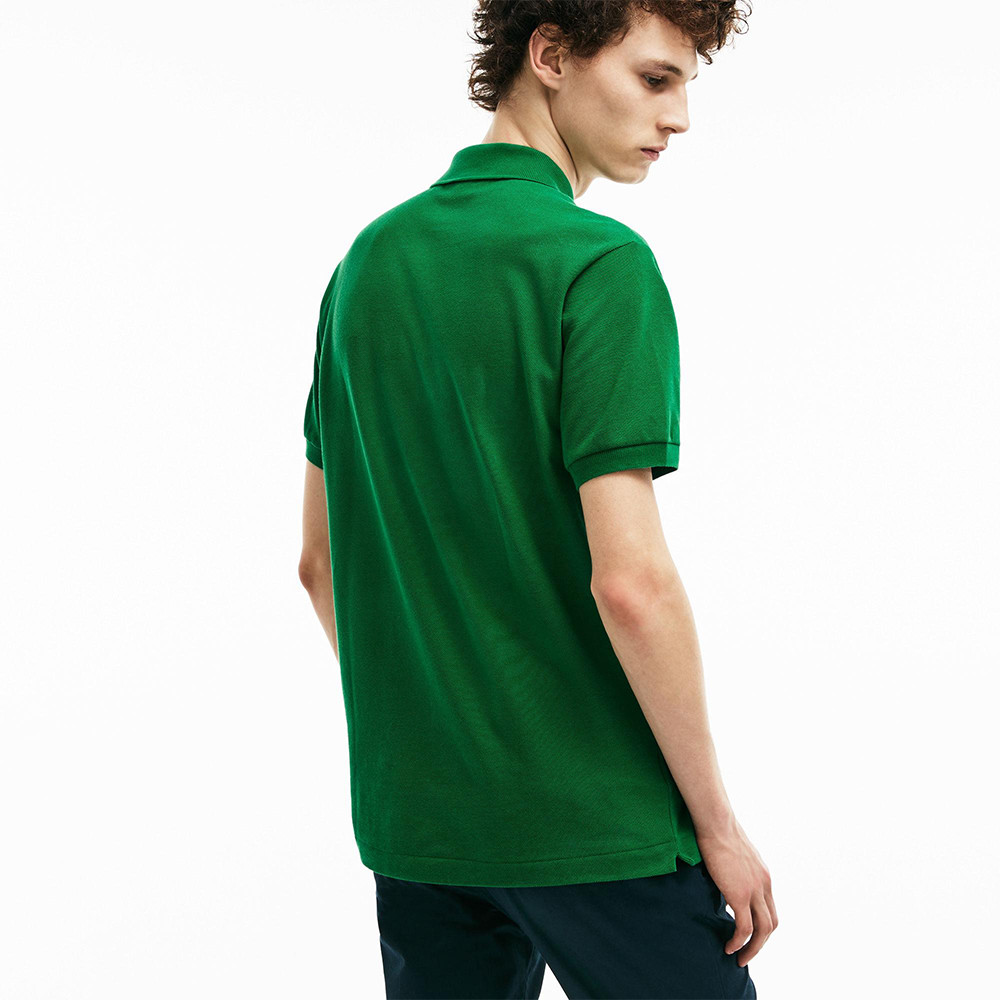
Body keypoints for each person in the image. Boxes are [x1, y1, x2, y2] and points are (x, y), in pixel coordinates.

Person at [298, 1, 776, 996]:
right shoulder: (597, 264)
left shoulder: (364, 267)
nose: (680, 116)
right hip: (590, 820)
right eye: (655, 78)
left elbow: (320, 564)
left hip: (420, 820)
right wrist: (718, 828)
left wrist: (442, 725)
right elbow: (632, 584)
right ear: (551, 55)